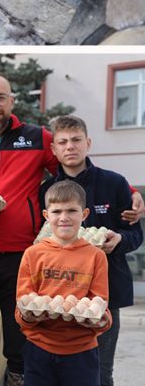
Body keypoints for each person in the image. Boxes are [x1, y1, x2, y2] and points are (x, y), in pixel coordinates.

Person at [0, 74, 142, 386]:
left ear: (12, 101)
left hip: (22, 260)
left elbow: (73, 167)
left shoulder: (37, 137)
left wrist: (129, 189)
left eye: (0, 97)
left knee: (22, 349)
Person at [38, 115, 141, 386]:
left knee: (100, 372)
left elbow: (135, 234)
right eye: (62, 142)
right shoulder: (47, 190)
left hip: (106, 292)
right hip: (59, 292)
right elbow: (40, 240)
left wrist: (119, 239)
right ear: (54, 149)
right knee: (62, 371)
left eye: (76, 140)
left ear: (88, 143)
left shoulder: (115, 183)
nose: (70, 146)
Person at [15, 180, 112, 386]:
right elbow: (22, 304)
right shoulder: (33, 254)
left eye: (71, 210)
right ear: (46, 216)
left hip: (82, 351)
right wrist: (29, 316)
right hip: (39, 348)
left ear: (84, 214)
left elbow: (99, 303)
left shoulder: (95, 256)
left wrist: (100, 320)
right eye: (57, 211)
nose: (64, 218)